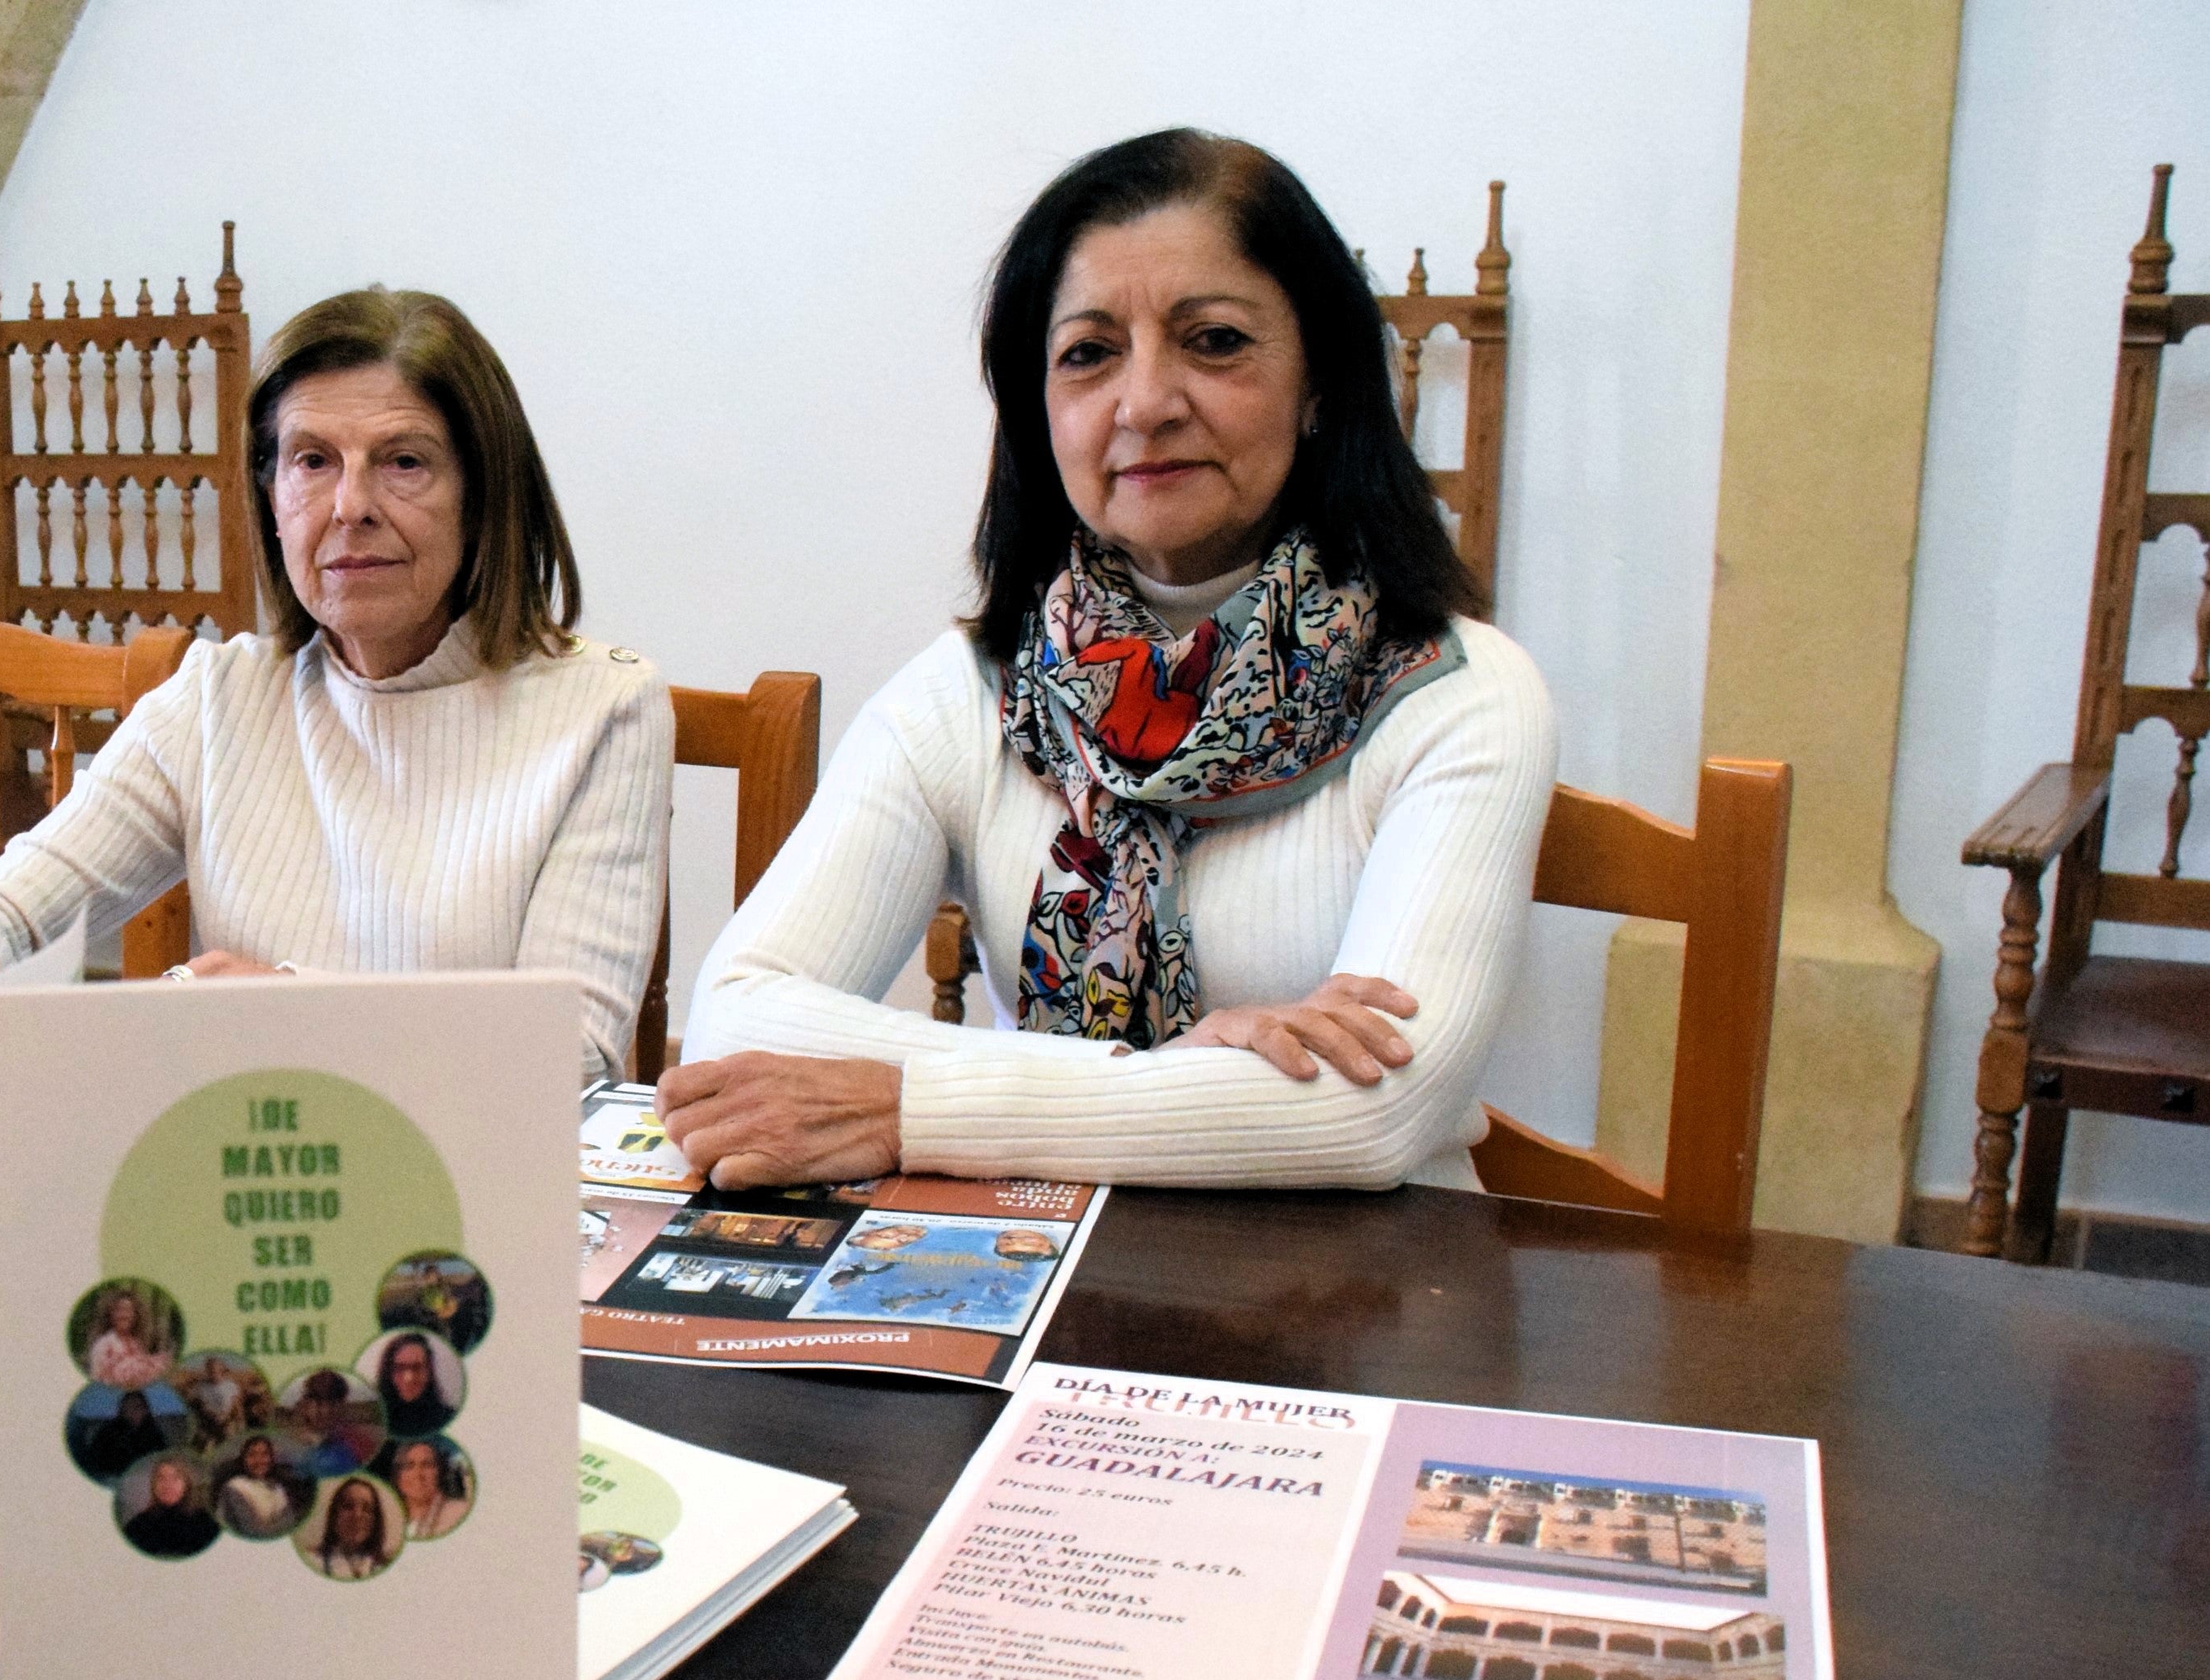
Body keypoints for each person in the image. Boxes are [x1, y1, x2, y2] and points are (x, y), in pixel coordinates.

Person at [665, 130, 1556, 1192]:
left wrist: (914, 1101)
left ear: (1320, 383)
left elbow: (1371, 1115)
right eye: (1089, 353)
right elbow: (734, 1018)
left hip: (1359, 1306)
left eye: (1214, 341)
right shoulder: (974, 691)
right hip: (1030, 1282)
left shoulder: (1457, 696)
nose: (1143, 403)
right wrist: (1178, 1081)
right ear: (1038, 412)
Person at [0, 287, 673, 1089]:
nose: (351, 507)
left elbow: (569, 1056)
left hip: (471, 1184)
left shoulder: (604, 708)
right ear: (269, 497)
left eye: (403, 462)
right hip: (252, 1173)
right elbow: (17, 900)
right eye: (311, 461)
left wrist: (298, 1016)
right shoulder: (218, 697)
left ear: (484, 493)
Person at [121, 1458, 219, 1559]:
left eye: (176, 1477)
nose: (168, 1485)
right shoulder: (137, 1526)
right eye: (161, 1478)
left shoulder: (208, 1522)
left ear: (187, 1483)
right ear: (153, 1485)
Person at [305, 1475, 398, 1581]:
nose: (357, 1515)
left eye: (367, 1509)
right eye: (348, 1506)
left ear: (376, 1520)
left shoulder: (391, 1567)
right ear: (334, 1515)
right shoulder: (312, 1562)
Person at [216, 1434, 307, 1540]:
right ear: (243, 1459)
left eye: (264, 1454)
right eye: (252, 1455)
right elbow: (254, 1532)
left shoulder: (277, 1486)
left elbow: (290, 1518)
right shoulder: (234, 1488)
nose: (259, 1460)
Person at [372, 1332, 459, 1438]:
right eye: (399, 1368)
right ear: (388, 1372)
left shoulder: (450, 1419)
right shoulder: (374, 1422)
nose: (408, 1378)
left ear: (429, 1371)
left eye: (417, 1368)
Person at [76, 1388, 174, 1481]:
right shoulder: (109, 1430)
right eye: (128, 1407)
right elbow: (94, 1458)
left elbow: (163, 1457)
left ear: (146, 1410)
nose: (132, 1411)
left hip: (145, 1477)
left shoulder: (154, 1431)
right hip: (113, 1476)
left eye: (137, 1406)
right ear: (122, 1409)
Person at [385, 1437, 472, 1541]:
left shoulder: (459, 1512)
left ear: (440, 1473)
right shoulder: (385, 1521)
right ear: (398, 1476)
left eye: (427, 1465)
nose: (418, 1474)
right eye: (409, 1466)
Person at [82, 1288, 169, 1390]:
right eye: (119, 1310)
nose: (124, 1315)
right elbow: (100, 1380)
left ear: (136, 1315)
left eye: (128, 1310)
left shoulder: (135, 1343)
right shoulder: (103, 1345)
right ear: (110, 1315)